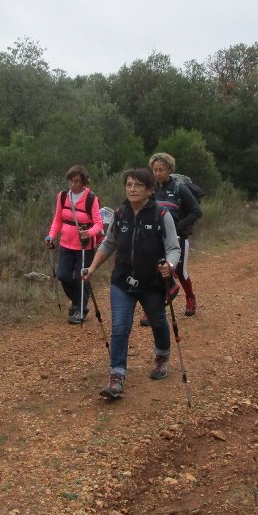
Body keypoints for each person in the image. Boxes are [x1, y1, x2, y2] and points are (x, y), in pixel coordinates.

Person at [82, 167, 180, 400]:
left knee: (157, 321)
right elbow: (108, 243)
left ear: (149, 189)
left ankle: (161, 355)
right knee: (120, 327)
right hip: (122, 281)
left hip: (152, 282)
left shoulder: (161, 216)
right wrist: (92, 268)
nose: (132, 189)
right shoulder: (121, 213)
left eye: (138, 185)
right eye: (129, 185)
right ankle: (116, 375)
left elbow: (173, 248)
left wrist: (169, 265)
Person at [45, 165, 103, 324]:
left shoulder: (91, 198)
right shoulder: (63, 196)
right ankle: (78, 302)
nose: (73, 184)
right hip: (66, 244)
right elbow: (58, 219)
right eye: (70, 181)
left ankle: (81, 309)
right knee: (63, 276)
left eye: (76, 181)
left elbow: (98, 224)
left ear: (83, 182)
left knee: (81, 277)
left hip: (85, 246)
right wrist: (51, 236)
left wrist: (89, 233)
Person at [149, 152, 202, 317]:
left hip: (179, 237)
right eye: (155, 170)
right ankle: (153, 307)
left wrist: (178, 227)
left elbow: (196, 211)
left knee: (179, 271)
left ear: (169, 169)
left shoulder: (180, 188)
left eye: (161, 170)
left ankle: (190, 298)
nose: (157, 173)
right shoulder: (151, 189)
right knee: (154, 270)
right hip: (156, 237)